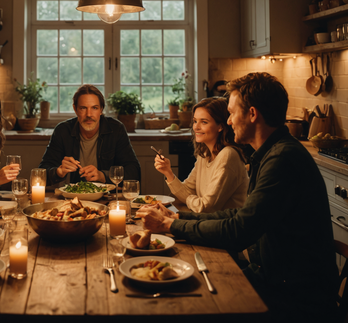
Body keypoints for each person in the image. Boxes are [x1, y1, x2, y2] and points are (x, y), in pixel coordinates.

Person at [137, 72, 338, 320]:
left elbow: (238, 231)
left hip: (294, 296)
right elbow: (240, 215)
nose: (229, 121)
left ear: (252, 114)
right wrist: (178, 217)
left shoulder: (282, 160)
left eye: (232, 113)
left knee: (183, 304)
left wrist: (172, 224)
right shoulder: (270, 153)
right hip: (271, 276)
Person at [154, 97, 248, 212]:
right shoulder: (205, 154)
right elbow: (188, 190)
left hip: (225, 227)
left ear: (221, 126)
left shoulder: (228, 155)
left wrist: (189, 199)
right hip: (206, 223)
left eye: (204, 122)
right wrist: (168, 172)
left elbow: (206, 207)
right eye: (195, 121)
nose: (196, 127)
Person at [39, 84, 141, 186]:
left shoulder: (116, 129)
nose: (89, 114)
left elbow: (134, 172)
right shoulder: (63, 130)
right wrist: (58, 172)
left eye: (94, 108)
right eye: (83, 108)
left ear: (101, 110)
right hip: (75, 198)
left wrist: (103, 176)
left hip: (108, 198)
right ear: (75, 109)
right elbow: (41, 174)